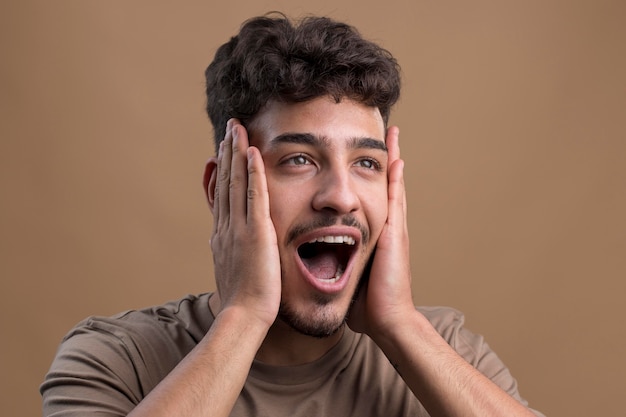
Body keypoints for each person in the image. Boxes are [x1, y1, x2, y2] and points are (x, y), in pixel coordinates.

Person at [41, 13, 544, 417]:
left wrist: (401, 326)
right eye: (300, 159)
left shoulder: (447, 351)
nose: (342, 198)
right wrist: (244, 317)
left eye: (367, 163)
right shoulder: (113, 359)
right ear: (224, 188)